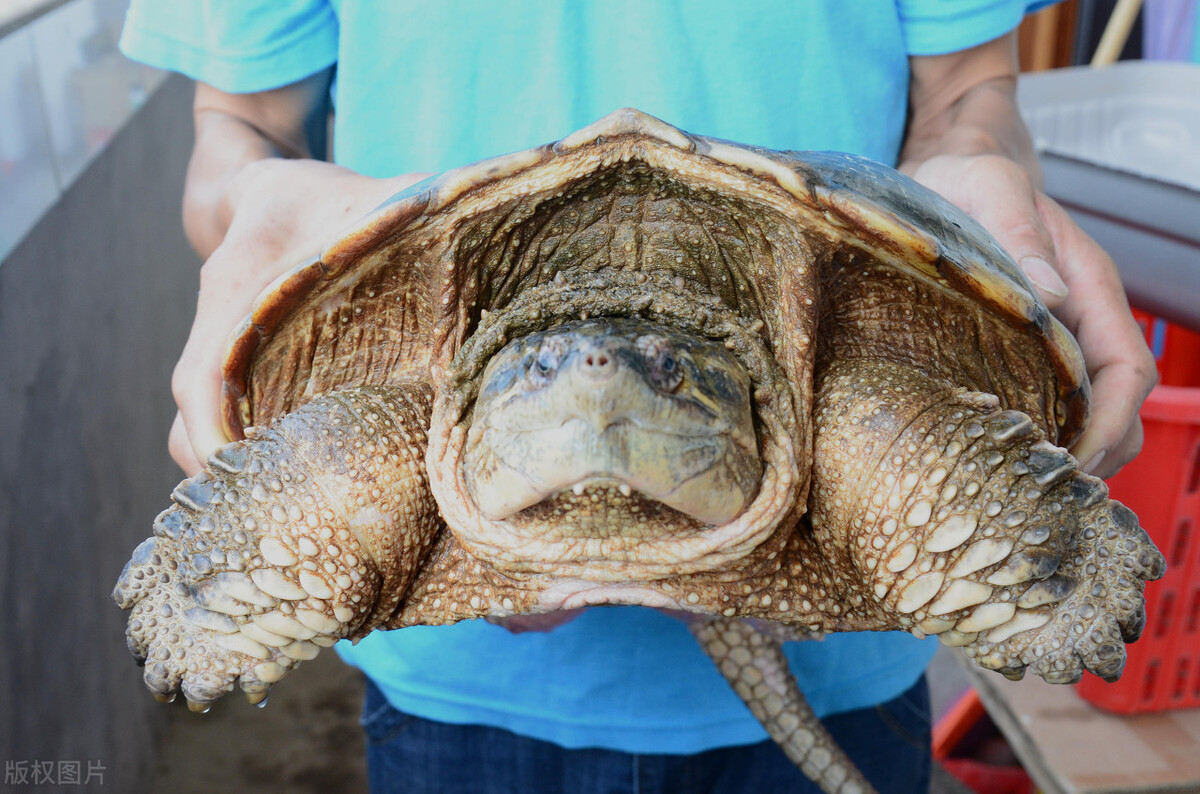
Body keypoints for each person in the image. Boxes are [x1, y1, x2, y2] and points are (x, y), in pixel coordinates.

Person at [120, 3, 1156, 792]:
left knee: (875, 431)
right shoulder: (384, 461)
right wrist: (255, 196)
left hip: (854, 620)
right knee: (343, 473)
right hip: (458, 693)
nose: (595, 387)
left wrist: (984, 175)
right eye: (545, 372)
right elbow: (240, 124)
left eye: (662, 374)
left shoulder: (856, 433)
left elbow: (971, 92)